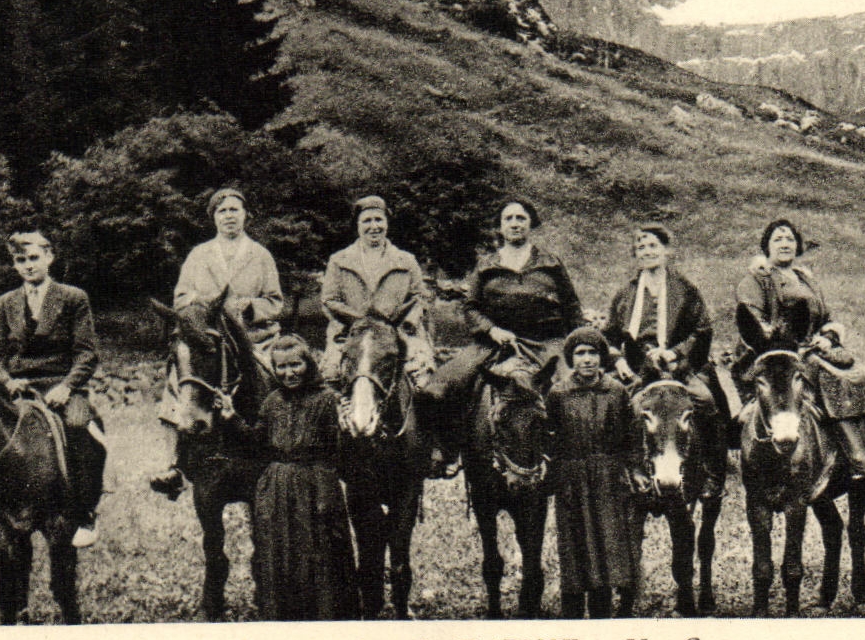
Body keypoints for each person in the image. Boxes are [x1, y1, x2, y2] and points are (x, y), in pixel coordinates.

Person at [734, 219, 865, 478]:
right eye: (777, 239)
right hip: (774, 354)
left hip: (810, 348)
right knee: (829, 375)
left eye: (789, 239)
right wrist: (785, 341)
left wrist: (828, 335)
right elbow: (753, 320)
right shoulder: (759, 279)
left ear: (798, 246)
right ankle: (857, 454)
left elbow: (826, 317)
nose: (785, 244)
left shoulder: (805, 279)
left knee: (859, 377)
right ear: (766, 246)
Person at [149, 187, 285, 499]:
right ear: (213, 218)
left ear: (245, 215)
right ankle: (174, 464)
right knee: (178, 381)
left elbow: (275, 301)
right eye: (222, 211)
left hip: (253, 338)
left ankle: (282, 453)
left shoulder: (260, 255)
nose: (229, 217)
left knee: (282, 379)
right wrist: (205, 305)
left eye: (235, 210)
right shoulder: (200, 255)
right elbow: (181, 297)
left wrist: (249, 308)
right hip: (208, 338)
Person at [0, 230, 107, 548]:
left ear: (49, 257)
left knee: (83, 429)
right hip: (16, 386)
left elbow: (87, 354)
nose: (28, 266)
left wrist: (67, 386)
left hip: (59, 384)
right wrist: (7, 381)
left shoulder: (74, 298)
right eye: (21, 260)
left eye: (34, 258)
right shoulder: (6, 302)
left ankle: (84, 512)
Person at [425, 198, 584, 457]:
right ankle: (446, 451)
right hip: (495, 342)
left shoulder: (550, 262)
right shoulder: (487, 264)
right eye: (508, 219)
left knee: (573, 389)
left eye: (520, 218)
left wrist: (578, 342)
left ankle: (570, 457)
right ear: (500, 227)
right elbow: (471, 306)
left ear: (531, 223)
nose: (514, 223)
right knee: (443, 383)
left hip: (545, 341)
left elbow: (571, 305)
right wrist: (491, 330)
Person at [218, 336, 357, 621]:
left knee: (319, 553)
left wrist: (346, 430)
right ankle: (284, 615)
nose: (288, 373)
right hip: (276, 489)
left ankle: (326, 614)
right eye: (281, 367)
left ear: (309, 364)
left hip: (315, 485)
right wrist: (232, 418)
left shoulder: (327, 400)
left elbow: (341, 454)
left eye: (295, 364)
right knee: (279, 552)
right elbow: (258, 442)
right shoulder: (273, 402)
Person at [317, 195, 446, 473]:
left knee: (426, 380)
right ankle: (325, 449)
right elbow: (329, 300)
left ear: (387, 223)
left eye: (379, 220)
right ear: (357, 226)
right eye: (367, 221)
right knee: (327, 378)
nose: (373, 226)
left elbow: (420, 297)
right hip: (351, 334)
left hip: (399, 332)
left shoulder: (405, 260)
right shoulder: (340, 261)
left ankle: (432, 446)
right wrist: (358, 321)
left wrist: (406, 322)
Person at [601, 224, 729, 498]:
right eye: (641, 247)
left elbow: (702, 330)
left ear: (667, 251)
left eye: (653, 246)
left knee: (706, 401)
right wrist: (619, 361)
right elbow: (609, 337)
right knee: (610, 405)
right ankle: (616, 475)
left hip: (678, 367)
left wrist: (676, 353)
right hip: (637, 366)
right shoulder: (626, 294)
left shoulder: (685, 289)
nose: (647, 252)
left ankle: (713, 475)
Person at [548, 327, 639, 619]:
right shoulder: (558, 393)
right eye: (580, 354)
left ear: (602, 358)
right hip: (571, 479)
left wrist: (632, 468)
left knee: (605, 543)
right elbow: (551, 438)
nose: (587, 360)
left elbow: (631, 436)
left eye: (593, 353)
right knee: (574, 545)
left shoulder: (616, 391)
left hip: (607, 479)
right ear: (571, 359)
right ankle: (572, 612)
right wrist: (554, 475)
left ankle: (601, 608)